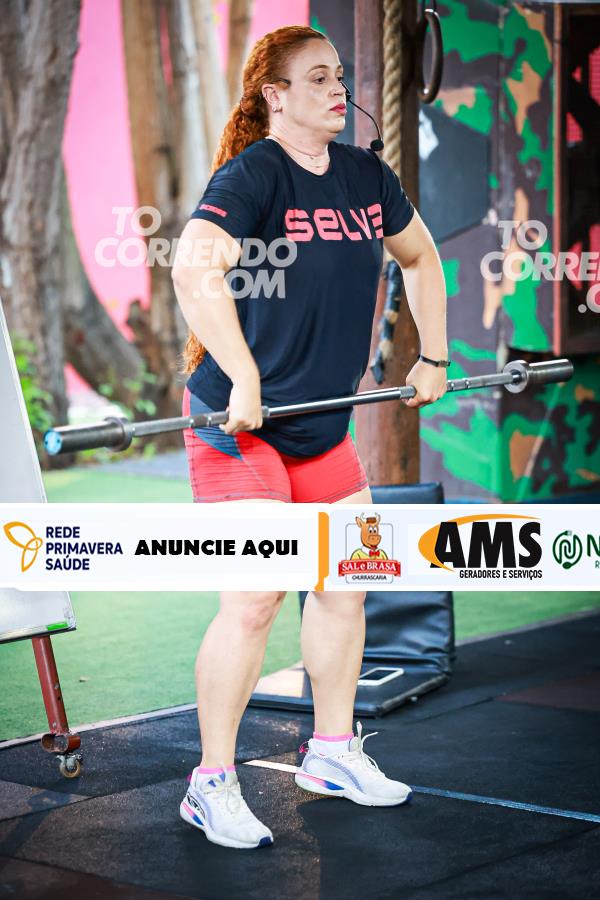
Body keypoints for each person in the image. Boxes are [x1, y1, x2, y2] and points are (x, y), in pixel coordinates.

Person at [171, 25, 447, 850]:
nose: (338, 90)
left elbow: (421, 258)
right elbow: (193, 268)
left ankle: (330, 753)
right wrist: (243, 376)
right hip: (240, 427)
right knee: (255, 598)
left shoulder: (365, 175)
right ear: (276, 96)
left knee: (345, 586)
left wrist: (434, 354)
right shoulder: (254, 174)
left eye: (339, 77)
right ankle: (210, 783)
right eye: (318, 78)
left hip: (322, 427)